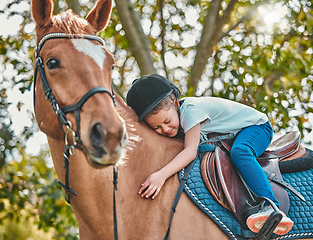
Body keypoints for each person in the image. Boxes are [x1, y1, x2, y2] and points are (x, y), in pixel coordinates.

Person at [126, 73, 293, 235]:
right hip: (234, 133)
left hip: (257, 127)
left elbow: (190, 151)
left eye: (167, 121)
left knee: (240, 152)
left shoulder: (190, 111)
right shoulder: (175, 119)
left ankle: (271, 206)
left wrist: (161, 175)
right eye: (156, 128)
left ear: (176, 103)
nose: (165, 129)